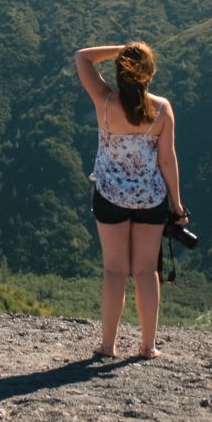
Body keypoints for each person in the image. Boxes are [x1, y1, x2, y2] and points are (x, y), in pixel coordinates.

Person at [74, 41, 188, 359]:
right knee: (145, 270)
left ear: (121, 71)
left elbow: (82, 57)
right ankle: (148, 347)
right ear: (150, 73)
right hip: (151, 200)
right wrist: (177, 206)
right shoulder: (162, 110)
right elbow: (167, 161)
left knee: (114, 271)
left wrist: (122, 49)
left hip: (110, 197)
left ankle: (108, 346)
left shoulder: (105, 101)